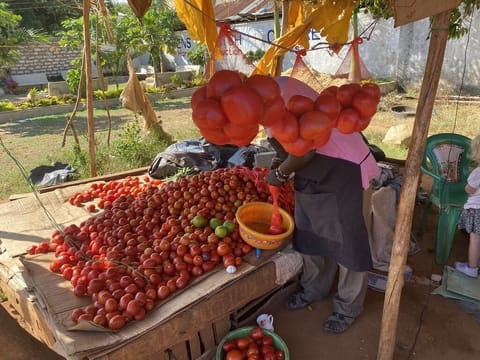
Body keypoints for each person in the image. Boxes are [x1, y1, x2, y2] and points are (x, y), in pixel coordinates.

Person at [265, 129, 379, 334]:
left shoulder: (287, 100)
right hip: (313, 172)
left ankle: (347, 307)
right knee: (310, 235)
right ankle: (314, 289)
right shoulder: (263, 108)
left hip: (346, 172)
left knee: (349, 244)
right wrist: (281, 160)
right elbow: (292, 146)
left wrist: (282, 173)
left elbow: (305, 151)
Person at [455, 134, 480, 278]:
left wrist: (466, 189)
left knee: (475, 239)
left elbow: (469, 189)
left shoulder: (478, 172)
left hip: (477, 210)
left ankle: (472, 268)